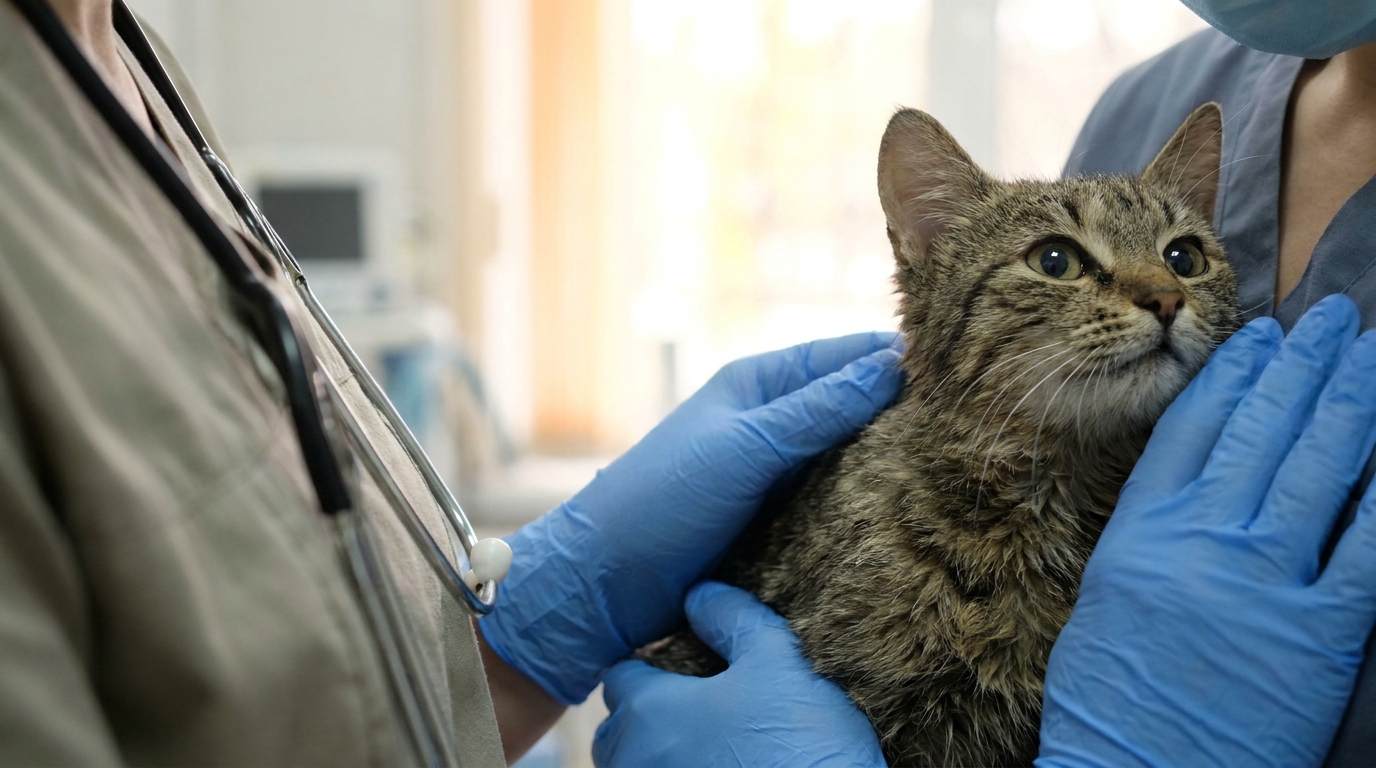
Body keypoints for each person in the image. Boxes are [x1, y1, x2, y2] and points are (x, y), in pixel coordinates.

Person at [0, 4, 1373, 768]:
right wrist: (513, 647)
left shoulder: (117, 57)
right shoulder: (1153, 108)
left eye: (1180, 262)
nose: (1147, 292)